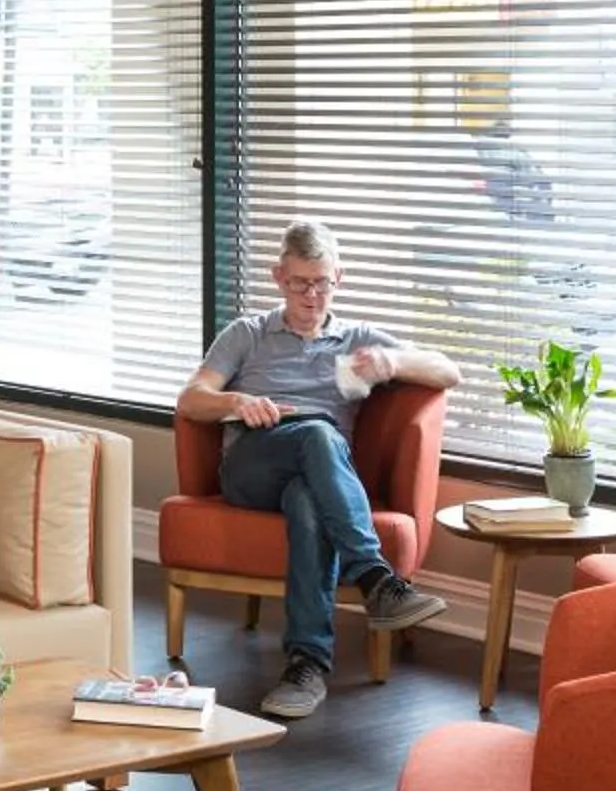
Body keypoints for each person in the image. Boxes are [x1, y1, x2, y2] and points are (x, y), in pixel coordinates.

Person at [178, 219, 457, 721]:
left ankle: (306, 664)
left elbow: (447, 370)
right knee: (316, 432)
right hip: (252, 467)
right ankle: (375, 577)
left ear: (338, 278)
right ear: (278, 277)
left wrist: (391, 363)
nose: (311, 295)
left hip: (318, 474)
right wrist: (238, 402)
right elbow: (191, 400)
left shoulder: (357, 341)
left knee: (309, 498)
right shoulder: (248, 333)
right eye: (299, 283)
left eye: (321, 282)